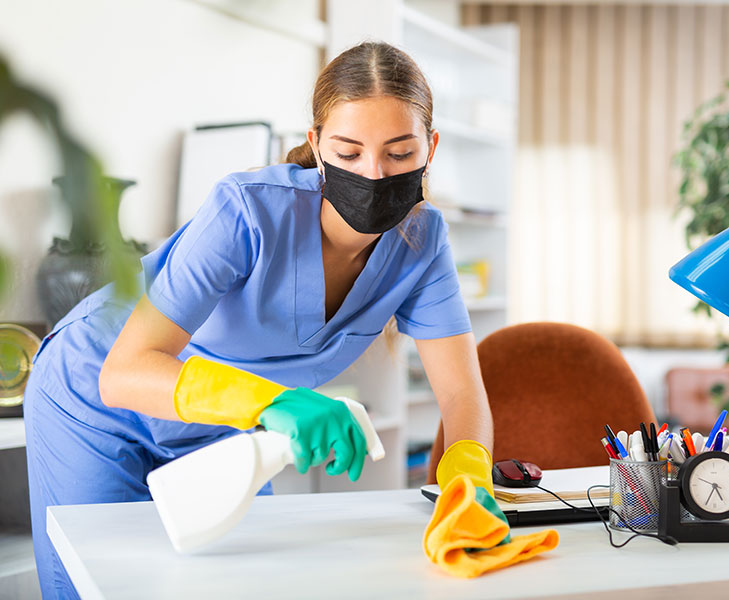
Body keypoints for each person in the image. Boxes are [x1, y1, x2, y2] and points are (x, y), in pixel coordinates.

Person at [24, 41, 501, 598]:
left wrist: (468, 476)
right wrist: (271, 402)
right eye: (349, 153)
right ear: (317, 146)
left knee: (246, 583)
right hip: (92, 399)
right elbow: (123, 372)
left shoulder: (423, 242)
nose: (373, 174)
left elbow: (463, 397)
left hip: (217, 424)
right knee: (101, 581)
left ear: (430, 147)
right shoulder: (246, 210)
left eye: (399, 154)